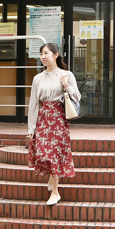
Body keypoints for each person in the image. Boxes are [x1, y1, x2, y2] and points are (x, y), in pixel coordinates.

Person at [27, 43, 81, 205]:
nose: (43, 57)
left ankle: (55, 192)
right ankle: (52, 178)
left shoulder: (66, 74)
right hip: (43, 119)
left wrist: (66, 84)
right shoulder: (38, 78)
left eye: (46, 53)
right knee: (44, 153)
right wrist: (31, 128)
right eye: (41, 54)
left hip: (58, 119)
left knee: (54, 153)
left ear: (56, 55)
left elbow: (77, 97)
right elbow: (33, 104)